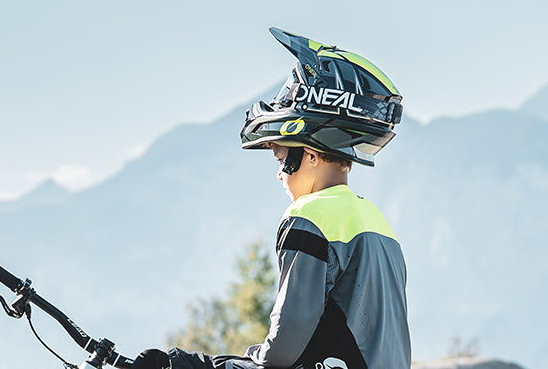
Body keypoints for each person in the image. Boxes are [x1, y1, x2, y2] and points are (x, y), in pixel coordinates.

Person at [133, 27, 410, 369]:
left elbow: (281, 352)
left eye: (283, 161)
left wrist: (190, 364)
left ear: (310, 155)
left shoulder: (311, 216)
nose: (280, 174)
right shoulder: (374, 219)